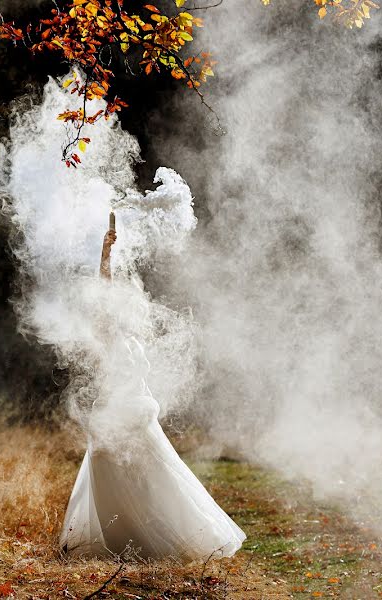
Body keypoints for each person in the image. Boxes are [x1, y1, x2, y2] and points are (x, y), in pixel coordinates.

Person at [59, 222, 246, 562]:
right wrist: (105, 256)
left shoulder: (131, 341)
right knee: (117, 482)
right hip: (114, 420)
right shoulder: (107, 336)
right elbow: (105, 293)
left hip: (138, 419)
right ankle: (126, 540)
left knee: (155, 483)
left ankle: (156, 540)